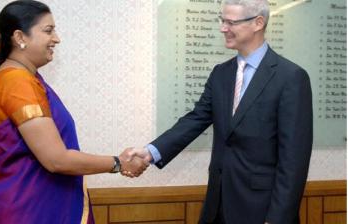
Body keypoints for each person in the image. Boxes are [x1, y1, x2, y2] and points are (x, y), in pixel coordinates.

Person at [129, 0, 313, 223]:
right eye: (222, 20)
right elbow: (195, 119)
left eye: (230, 22)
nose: (223, 28)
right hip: (218, 206)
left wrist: (277, 219)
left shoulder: (290, 77)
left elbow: (294, 160)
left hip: (262, 210)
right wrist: (150, 152)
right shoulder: (221, 73)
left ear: (258, 23)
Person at [0, 1, 148, 223]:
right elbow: (56, 159)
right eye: (48, 30)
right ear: (20, 37)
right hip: (26, 212)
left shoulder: (22, 78)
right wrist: (119, 163)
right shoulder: (17, 81)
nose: (56, 38)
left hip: (24, 204)